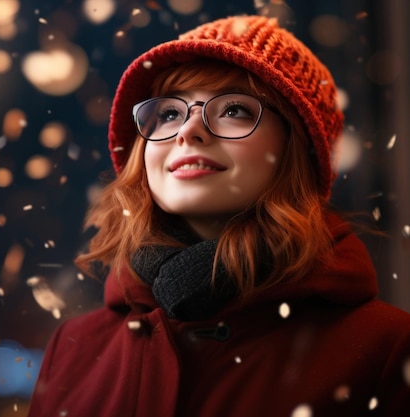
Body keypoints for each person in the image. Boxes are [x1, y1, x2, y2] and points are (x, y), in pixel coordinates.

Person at [27, 14, 410, 417]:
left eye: (233, 109)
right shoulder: (74, 349)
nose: (188, 131)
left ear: (297, 151)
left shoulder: (384, 350)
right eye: (170, 113)